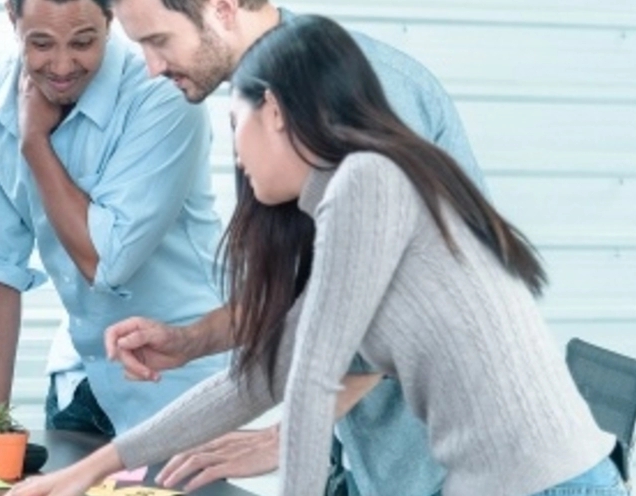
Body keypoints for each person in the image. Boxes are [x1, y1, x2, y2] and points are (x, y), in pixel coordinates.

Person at [8, 14, 625, 496]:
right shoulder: (346, 197)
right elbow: (264, 377)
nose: (239, 160)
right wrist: (91, 469)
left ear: (273, 112)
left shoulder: (367, 181)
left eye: (236, 124)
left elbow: (311, 380)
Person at [98, 0, 490, 493]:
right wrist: (192, 341)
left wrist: (287, 434)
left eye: (158, 41)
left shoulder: (357, 91)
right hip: (374, 465)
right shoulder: (264, 97)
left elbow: (413, 305)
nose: (153, 69)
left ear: (221, 8)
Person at [0, 0, 229, 438]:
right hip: (79, 380)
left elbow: (105, 262)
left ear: (111, 22)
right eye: (41, 43)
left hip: (177, 386)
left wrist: (34, 142)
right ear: (12, 21)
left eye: (84, 42)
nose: (62, 65)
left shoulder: (162, 94)